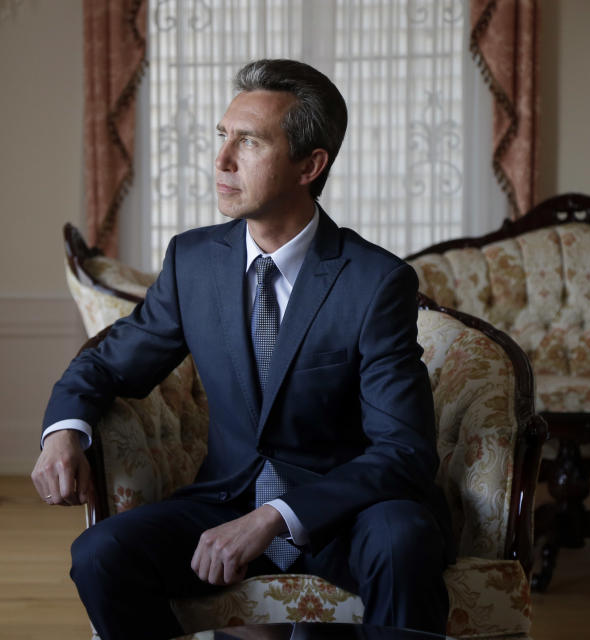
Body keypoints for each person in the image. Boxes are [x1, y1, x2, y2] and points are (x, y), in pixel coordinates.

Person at [32, 59, 453, 640]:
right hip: (225, 496)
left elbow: (404, 451)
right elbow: (108, 362)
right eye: (221, 137)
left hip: (346, 514)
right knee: (101, 553)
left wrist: (275, 518)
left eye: (248, 142)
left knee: (403, 536)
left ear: (310, 164)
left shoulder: (375, 281)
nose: (222, 160)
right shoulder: (193, 262)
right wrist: (64, 431)